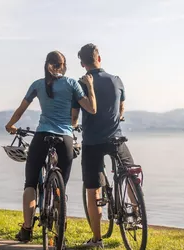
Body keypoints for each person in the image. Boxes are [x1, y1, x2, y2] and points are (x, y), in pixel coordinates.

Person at [4, 50, 97, 243]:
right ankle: (58, 216)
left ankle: (27, 229)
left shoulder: (37, 85)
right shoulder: (72, 84)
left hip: (42, 135)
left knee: (30, 183)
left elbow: (21, 109)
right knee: (60, 185)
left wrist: (10, 125)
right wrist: (90, 86)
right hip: (65, 138)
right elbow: (92, 109)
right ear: (63, 66)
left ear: (46, 64)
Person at [71, 43, 136, 248]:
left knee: (93, 190)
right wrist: (119, 117)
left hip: (92, 142)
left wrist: (73, 125)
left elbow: (74, 116)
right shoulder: (116, 80)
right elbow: (122, 106)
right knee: (130, 174)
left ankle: (97, 240)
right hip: (115, 138)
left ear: (82, 63)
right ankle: (136, 211)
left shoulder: (80, 84)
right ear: (99, 59)